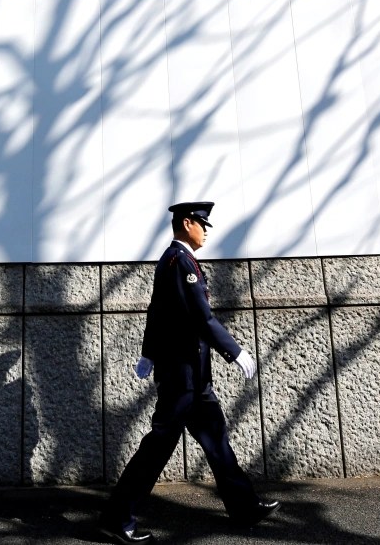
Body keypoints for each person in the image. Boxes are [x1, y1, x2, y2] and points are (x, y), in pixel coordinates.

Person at [101, 201, 279, 543]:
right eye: (202, 225)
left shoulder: (176, 260)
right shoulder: (179, 261)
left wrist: (148, 353)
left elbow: (157, 311)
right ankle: (115, 518)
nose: (206, 231)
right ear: (187, 224)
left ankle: (244, 506)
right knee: (158, 447)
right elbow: (201, 317)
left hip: (194, 378)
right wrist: (235, 351)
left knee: (216, 440)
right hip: (181, 377)